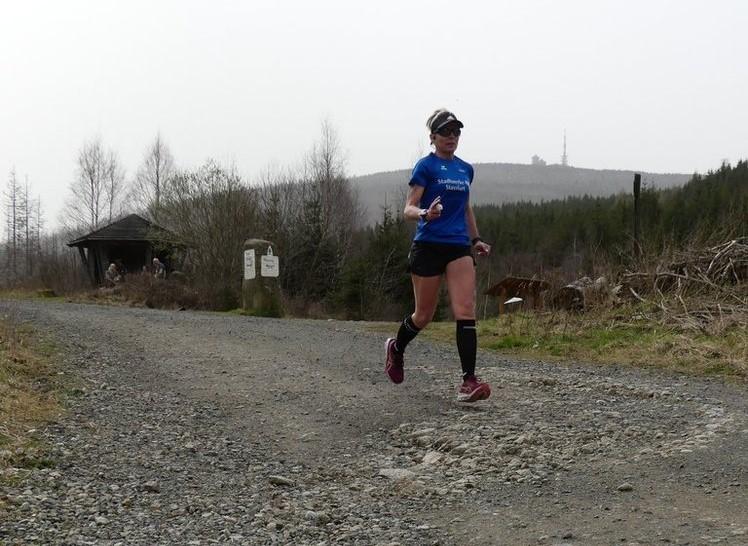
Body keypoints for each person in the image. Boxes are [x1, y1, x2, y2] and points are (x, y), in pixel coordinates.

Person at [385, 109, 492, 403]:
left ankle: (468, 381)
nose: (452, 137)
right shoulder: (426, 166)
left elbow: (466, 208)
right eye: (445, 132)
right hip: (428, 245)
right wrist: (424, 213)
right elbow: (408, 208)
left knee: (465, 309)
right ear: (432, 137)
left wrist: (476, 239)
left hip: (458, 246)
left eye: (456, 131)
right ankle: (396, 348)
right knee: (423, 315)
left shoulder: (465, 169)